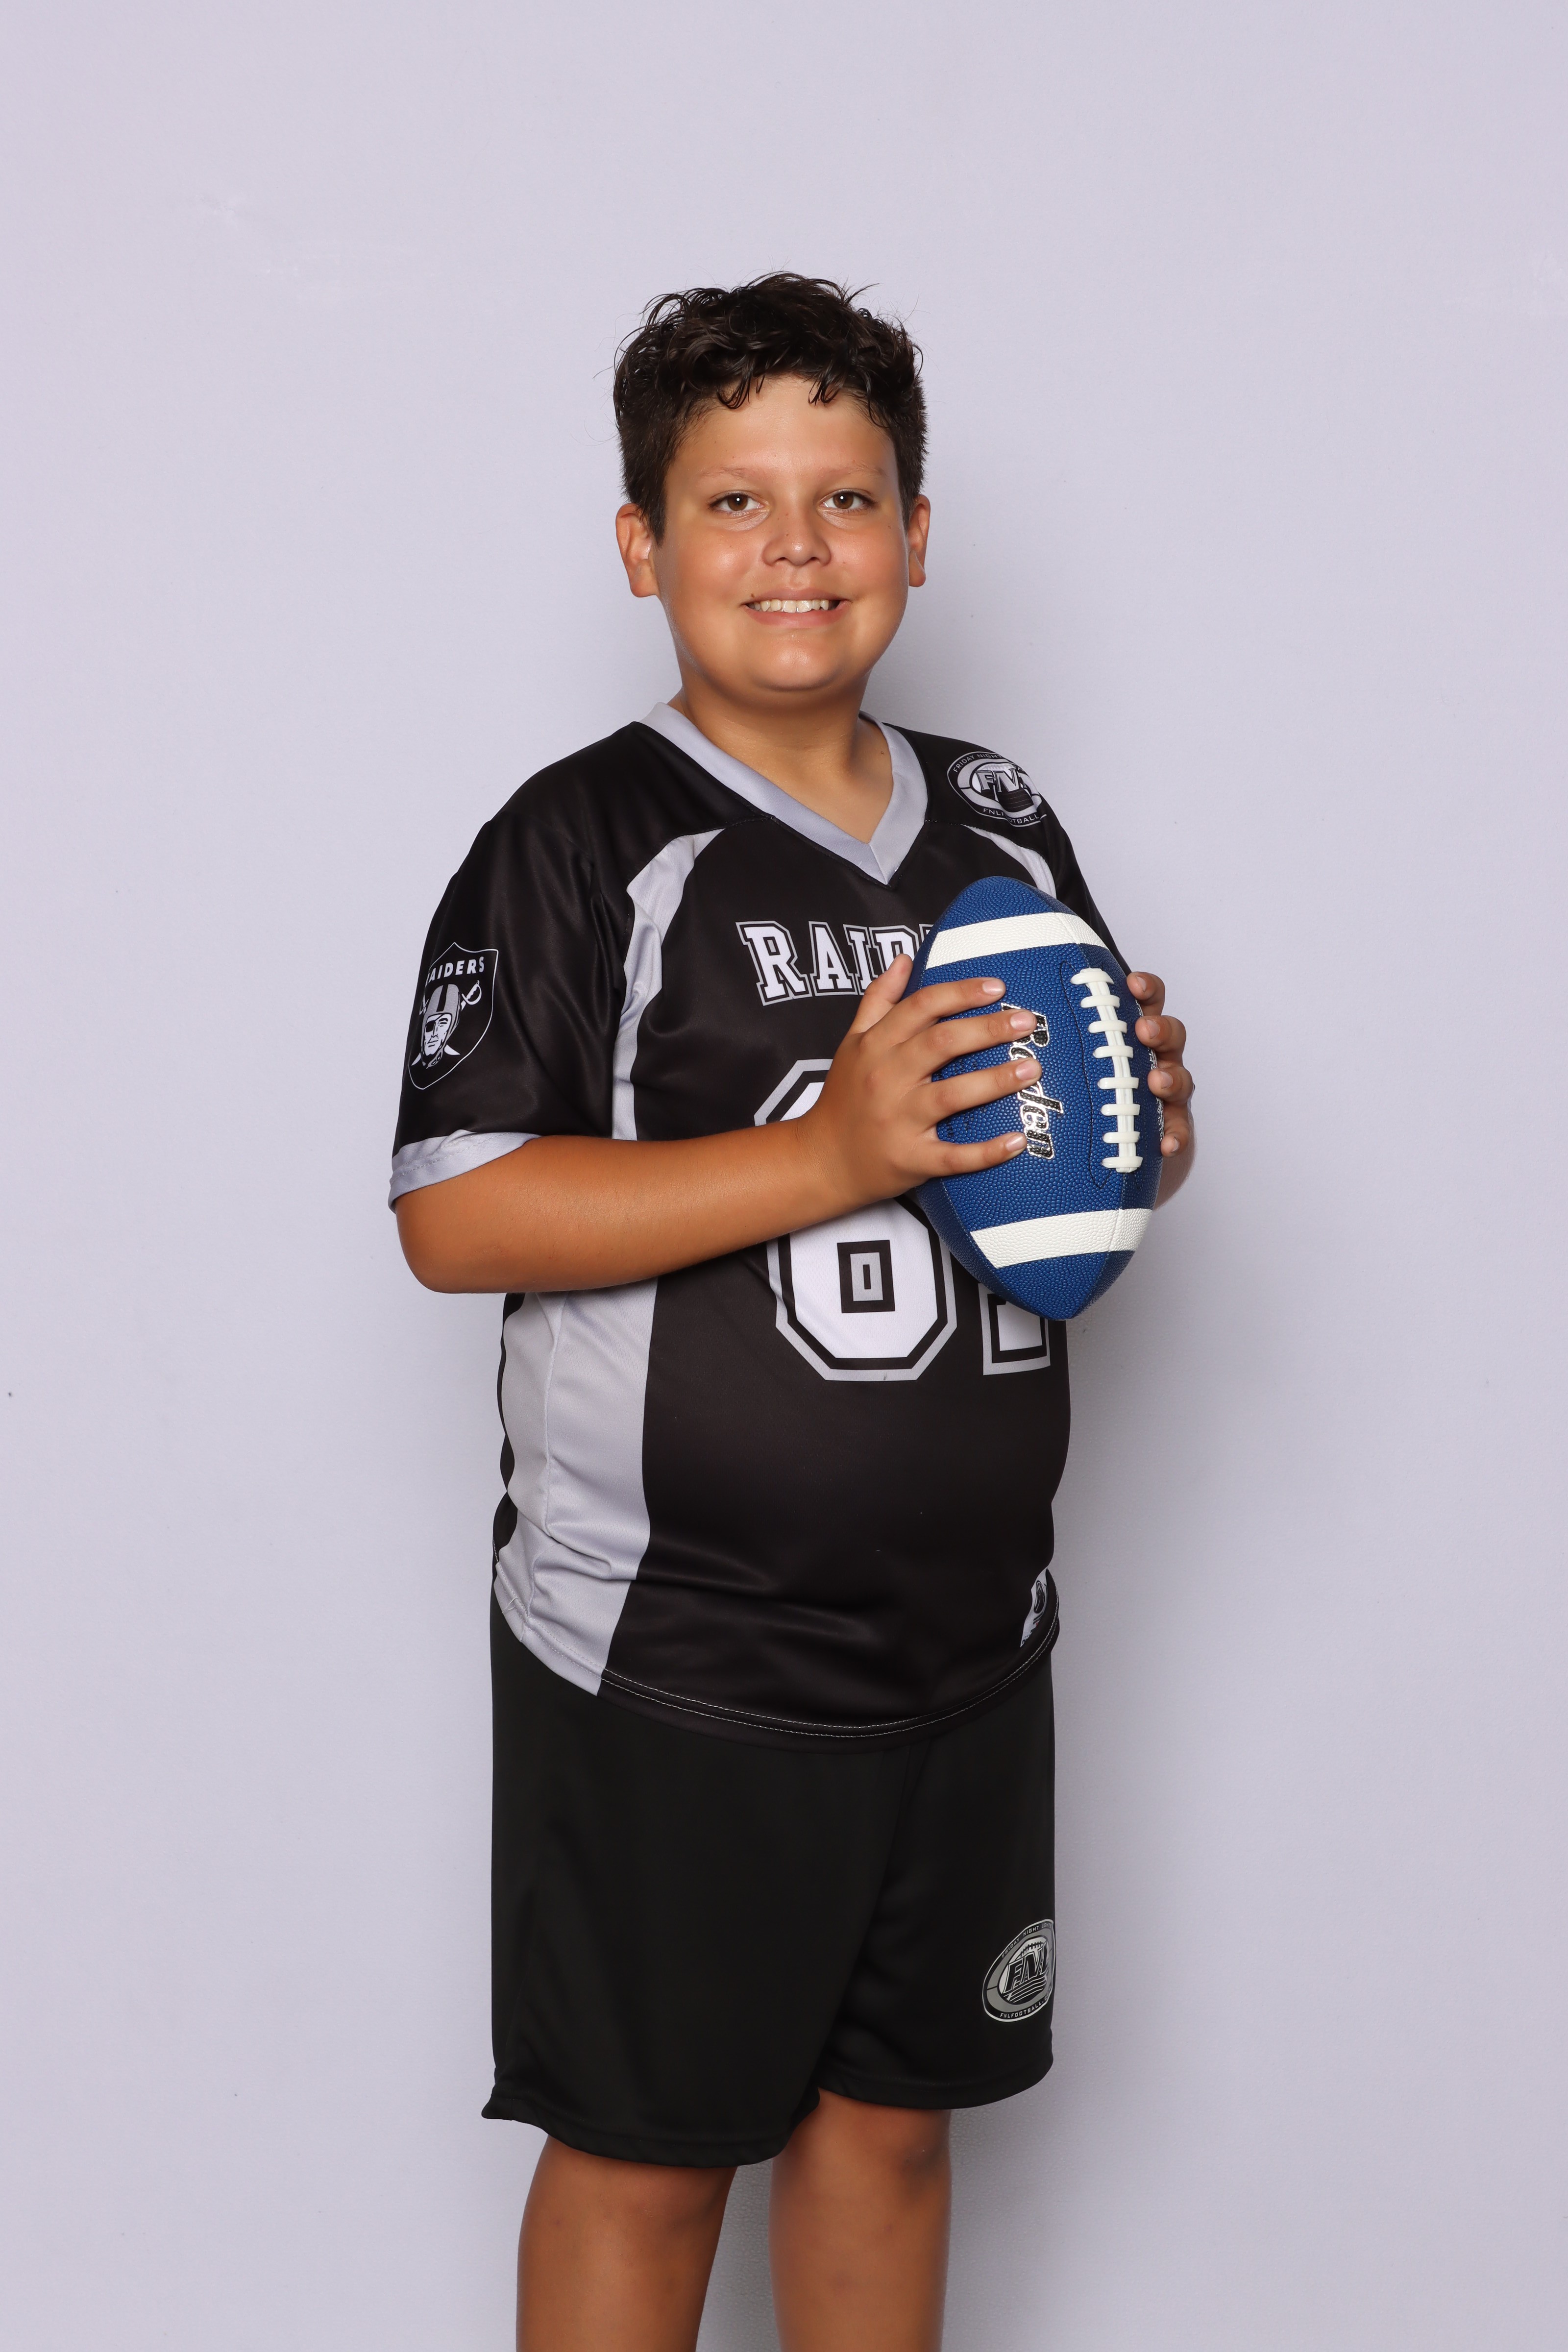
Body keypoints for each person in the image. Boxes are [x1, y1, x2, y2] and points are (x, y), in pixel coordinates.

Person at [390, 274, 1195, 2352]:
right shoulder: (580, 840)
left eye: (844, 499)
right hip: (682, 1650)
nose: (795, 547)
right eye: (733, 502)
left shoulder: (1000, 815)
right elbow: (458, 1216)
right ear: (642, 545)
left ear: (915, 533)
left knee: (892, 2132)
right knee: (650, 2155)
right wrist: (833, 1156)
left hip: (968, 1635)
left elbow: (1043, 1175)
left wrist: (1135, 1133)